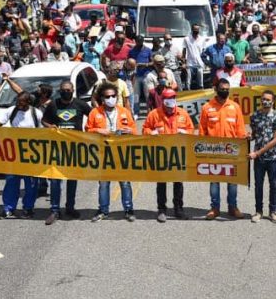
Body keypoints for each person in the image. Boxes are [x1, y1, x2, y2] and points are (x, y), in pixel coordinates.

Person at [86, 84, 137, 222]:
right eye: (107, 96)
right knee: (104, 184)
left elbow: (134, 130)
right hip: (102, 153)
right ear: (102, 98)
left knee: (125, 183)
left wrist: (128, 131)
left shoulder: (124, 111)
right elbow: (87, 131)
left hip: (121, 152)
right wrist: (98, 130)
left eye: (113, 96)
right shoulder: (95, 112)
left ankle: (128, 210)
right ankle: (103, 210)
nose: (111, 99)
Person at [41, 80, 90, 224]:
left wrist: (90, 129)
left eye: (68, 90)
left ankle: (70, 207)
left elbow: (93, 116)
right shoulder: (53, 104)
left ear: (73, 90)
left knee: (72, 180)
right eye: (63, 90)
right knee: (56, 180)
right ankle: (55, 210)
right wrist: (50, 125)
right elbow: (44, 120)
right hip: (57, 148)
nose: (66, 92)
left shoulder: (80, 104)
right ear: (60, 91)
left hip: (74, 149)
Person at [142, 89, 194, 222]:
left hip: (178, 153)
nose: (171, 109)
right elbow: (145, 129)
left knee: (178, 182)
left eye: (173, 106)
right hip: (161, 154)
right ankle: (161, 209)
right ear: (163, 103)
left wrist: (185, 132)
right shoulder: (154, 114)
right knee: (161, 183)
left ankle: (178, 209)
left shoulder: (182, 113)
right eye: (168, 106)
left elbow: (191, 129)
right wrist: (151, 132)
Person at [200, 78, 248, 220]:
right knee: (214, 182)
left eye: (227, 89)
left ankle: (232, 207)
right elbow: (202, 130)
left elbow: (240, 129)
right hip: (213, 151)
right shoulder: (207, 108)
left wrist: (244, 143)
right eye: (222, 89)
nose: (225, 91)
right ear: (216, 89)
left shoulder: (235, 107)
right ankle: (215, 208)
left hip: (232, 151)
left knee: (232, 182)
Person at [0, 92, 43, 219]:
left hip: (31, 155)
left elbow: (44, 132)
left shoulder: (36, 113)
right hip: (14, 154)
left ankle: (28, 208)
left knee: (31, 183)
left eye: (21, 102)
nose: (18, 104)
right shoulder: (12, 111)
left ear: (28, 102)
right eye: (17, 101)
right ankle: (8, 208)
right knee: (11, 181)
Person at [249, 89, 276, 223]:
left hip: (272, 157)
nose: (265, 102)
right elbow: (254, 134)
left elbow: (275, 139)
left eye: (268, 100)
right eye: (263, 99)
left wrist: (257, 153)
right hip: (258, 160)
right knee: (258, 185)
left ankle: (272, 212)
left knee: (273, 185)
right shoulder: (254, 116)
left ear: (273, 101)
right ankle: (258, 212)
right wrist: (249, 137)